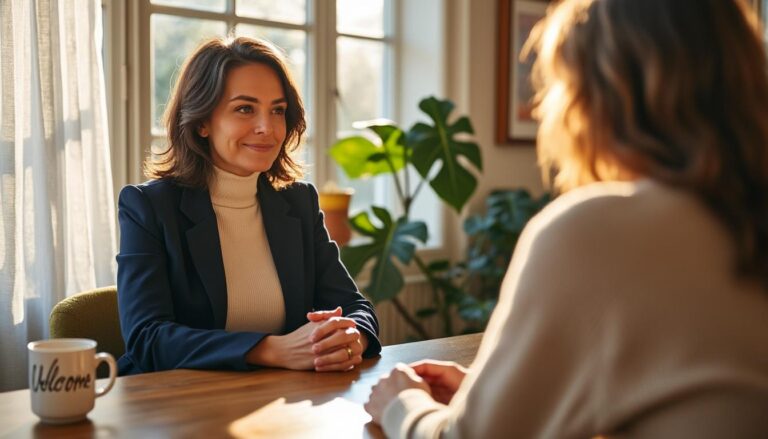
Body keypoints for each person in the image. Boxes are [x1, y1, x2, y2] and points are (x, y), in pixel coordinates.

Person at [365, 0, 768, 437]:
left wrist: (403, 405)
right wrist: (496, 396)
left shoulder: (597, 232)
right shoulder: (743, 217)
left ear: (598, 95)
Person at [116, 36, 381, 375]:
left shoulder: (298, 202)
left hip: (276, 402)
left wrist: (348, 337)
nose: (267, 128)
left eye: (278, 110)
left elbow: (355, 307)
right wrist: (272, 349)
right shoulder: (148, 207)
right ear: (201, 121)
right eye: (245, 108)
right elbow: (146, 338)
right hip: (173, 409)